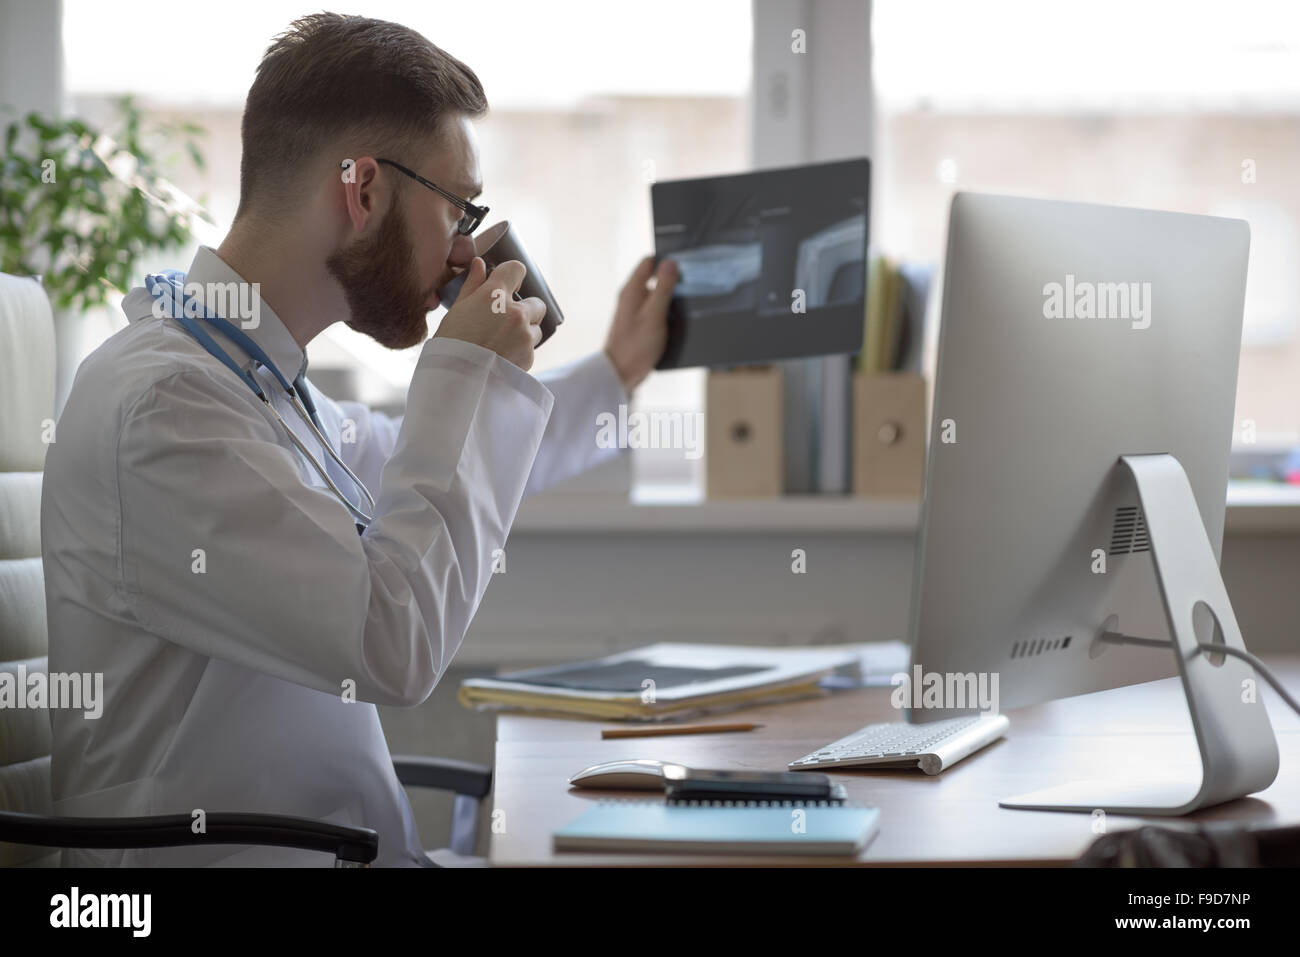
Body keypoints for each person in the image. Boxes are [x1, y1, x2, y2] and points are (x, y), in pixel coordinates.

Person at [41, 12, 677, 866]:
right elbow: (392, 643)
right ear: (365, 188)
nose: (464, 250)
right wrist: (462, 376)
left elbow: (432, 458)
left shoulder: (260, 383)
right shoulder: (166, 405)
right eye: (457, 207)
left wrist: (616, 374)